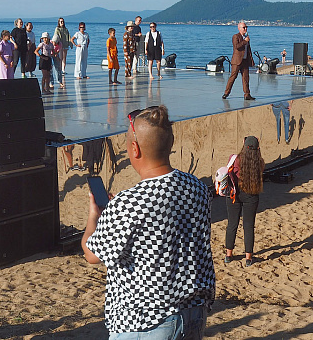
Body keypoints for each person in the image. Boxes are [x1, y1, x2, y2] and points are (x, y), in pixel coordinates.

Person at [82, 105, 215, 338]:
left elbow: (92, 254)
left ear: (134, 149)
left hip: (146, 322)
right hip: (193, 314)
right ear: (171, 143)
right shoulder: (198, 188)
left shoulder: (129, 202)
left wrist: (95, 215)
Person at [224, 136, 265, 267]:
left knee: (232, 224)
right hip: (251, 194)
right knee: (248, 226)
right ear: (257, 148)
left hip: (234, 194)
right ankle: (248, 258)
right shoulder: (260, 162)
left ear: (244, 144)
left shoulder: (234, 159)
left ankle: (228, 255)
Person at [222, 22, 255, 100]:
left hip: (245, 60)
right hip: (237, 60)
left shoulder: (246, 37)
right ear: (239, 28)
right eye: (244, 27)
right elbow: (237, 46)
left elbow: (248, 50)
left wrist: (250, 60)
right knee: (233, 76)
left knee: (246, 78)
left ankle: (247, 94)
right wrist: (245, 41)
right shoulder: (236, 36)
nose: (245, 29)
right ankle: (226, 93)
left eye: (246, 27)